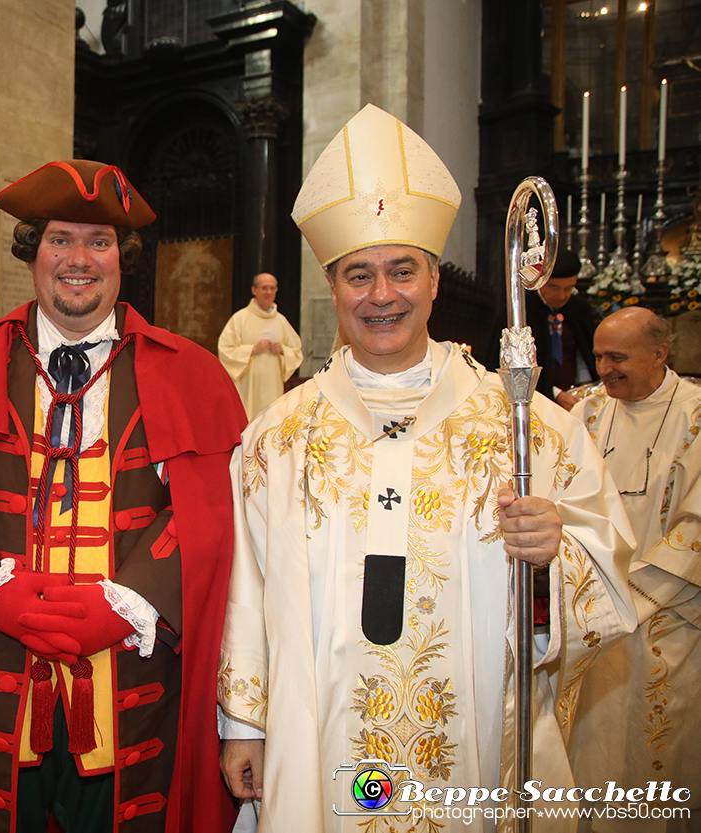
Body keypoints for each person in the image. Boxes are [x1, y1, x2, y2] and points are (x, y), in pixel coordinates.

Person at [216, 104, 637, 831]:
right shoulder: (275, 438)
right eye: (359, 275)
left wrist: (552, 553)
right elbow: (249, 584)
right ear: (333, 287)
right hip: (322, 747)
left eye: (401, 271)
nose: (382, 295)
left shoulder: (532, 430)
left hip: (474, 748)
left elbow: (602, 587)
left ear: (435, 280)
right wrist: (244, 720)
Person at [0, 159, 244, 833]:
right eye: (60, 238)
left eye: (99, 242)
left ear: (124, 257)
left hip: (131, 691)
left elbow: (211, 512)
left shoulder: (190, 374)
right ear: (32, 251)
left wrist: (130, 602)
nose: (79, 259)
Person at [568, 307, 701, 827]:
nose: (604, 368)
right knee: (592, 737)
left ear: (660, 354)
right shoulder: (588, 413)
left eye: (617, 357)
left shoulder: (695, 415)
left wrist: (639, 593)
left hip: (667, 609)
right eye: (599, 355)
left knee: (657, 733)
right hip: (591, 606)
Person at [482, 249, 595, 410]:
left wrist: (585, 388)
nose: (562, 296)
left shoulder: (580, 309)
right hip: (536, 401)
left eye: (569, 289)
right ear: (540, 281)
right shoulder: (518, 311)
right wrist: (555, 393)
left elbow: (584, 356)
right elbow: (507, 368)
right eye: (555, 288)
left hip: (575, 395)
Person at [217, 272, 303, 419]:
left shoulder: (281, 321)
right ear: (254, 290)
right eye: (264, 288)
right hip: (248, 389)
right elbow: (225, 349)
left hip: (272, 387)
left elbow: (296, 351)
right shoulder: (240, 318)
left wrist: (283, 350)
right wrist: (252, 350)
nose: (268, 292)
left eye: (272, 288)